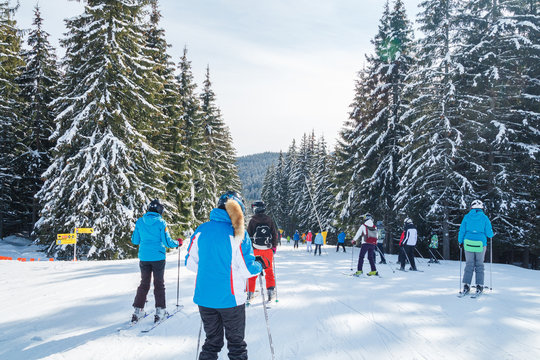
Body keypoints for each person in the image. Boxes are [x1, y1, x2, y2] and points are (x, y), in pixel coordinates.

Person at [185, 191, 265, 360]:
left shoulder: (201, 230)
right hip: (230, 300)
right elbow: (247, 269)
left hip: (205, 298)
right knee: (236, 345)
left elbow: (190, 263)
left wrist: (210, 267)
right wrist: (260, 264)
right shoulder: (238, 233)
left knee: (212, 342)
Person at [131, 199, 181, 324]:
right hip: (158, 258)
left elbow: (135, 241)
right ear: (160, 210)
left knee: (144, 283)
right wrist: (177, 243)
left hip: (144, 257)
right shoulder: (161, 222)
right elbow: (167, 242)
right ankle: (160, 311)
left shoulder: (140, 222)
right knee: (159, 283)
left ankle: (138, 311)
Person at [458, 199, 494, 295]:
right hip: (480, 244)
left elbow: (462, 230)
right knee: (479, 264)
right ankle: (479, 285)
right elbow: (489, 234)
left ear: (471, 207)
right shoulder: (485, 218)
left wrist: (460, 241)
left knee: (469, 264)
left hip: (468, 243)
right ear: (481, 208)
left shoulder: (467, 217)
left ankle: (466, 284)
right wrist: (492, 234)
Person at [247, 200, 279, 302]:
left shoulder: (252, 221)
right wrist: (273, 248)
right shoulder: (269, 220)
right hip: (267, 249)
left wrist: (249, 250)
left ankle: (250, 294)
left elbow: (248, 236)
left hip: (255, 250)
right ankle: (270, 293)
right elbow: (274, 235)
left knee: (253, 272)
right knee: (269, 271)